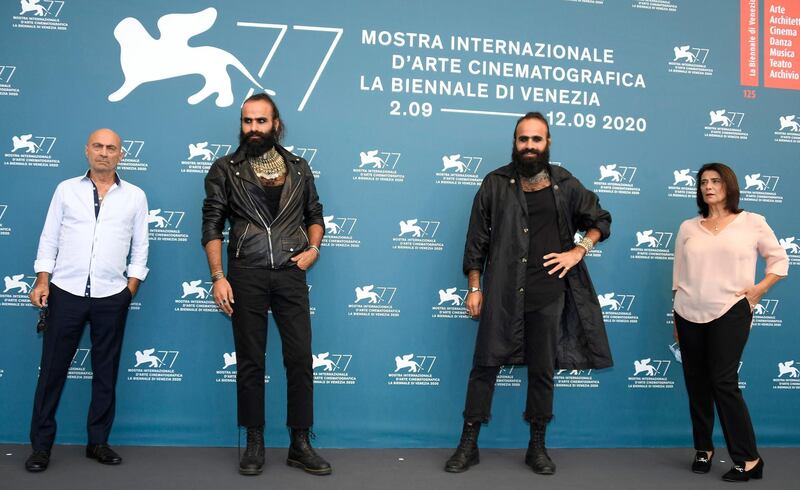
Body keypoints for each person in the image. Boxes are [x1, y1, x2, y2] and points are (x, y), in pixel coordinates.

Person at [445, 111, 613, 475]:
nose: (530, 146)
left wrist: (578, 250)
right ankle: (468, 445)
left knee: (542, 372)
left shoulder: (565, 184)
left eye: (537, 140)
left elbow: (600, 220)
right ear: (515, 143)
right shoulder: (494, 183)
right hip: (502, 290)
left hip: (548, 293)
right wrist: (474, 287)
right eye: (524, 139)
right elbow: (477, 241)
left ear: (547, 143)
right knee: (484, 366)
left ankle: (537, 447)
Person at [201, 93, 329, 476]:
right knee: (251, 362)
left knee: (300, 359)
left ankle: (300, 443)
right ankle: (254, 441)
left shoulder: (300, 168)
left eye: (260, 121)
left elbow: (315, 214)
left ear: (276, 124)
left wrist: (314, 249)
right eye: (247, 121)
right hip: (247, 272)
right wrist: (218, 276)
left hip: (291, 272)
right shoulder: (225, 169)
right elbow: (212, 225)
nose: (253, 128)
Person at [26, 128, 149, 472]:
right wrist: (42, 279)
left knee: (106, 372)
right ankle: (40, 446)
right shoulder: (66, 190)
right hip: (65, 292)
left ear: (121, 155)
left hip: (112, 295)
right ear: (87, 151)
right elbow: (49, 237)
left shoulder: (135, 196)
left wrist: (131, 287)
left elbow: (140, 246)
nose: (104, 152)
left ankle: (98, 442)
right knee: (51, 371)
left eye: (111, 148)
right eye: (98, 146)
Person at [672, 162, 787, 482]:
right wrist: (674, 315)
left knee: (723, 382)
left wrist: (758, 291)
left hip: (731, 309)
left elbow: (780, 260)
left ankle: (749, 459)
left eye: (716, 181)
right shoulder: (687, 227)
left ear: (730, 185)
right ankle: (703, 449)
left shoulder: (752, 222)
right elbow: (678, 275)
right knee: (696, 384)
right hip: (687, 312)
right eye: (704, 182)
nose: (708, 186)